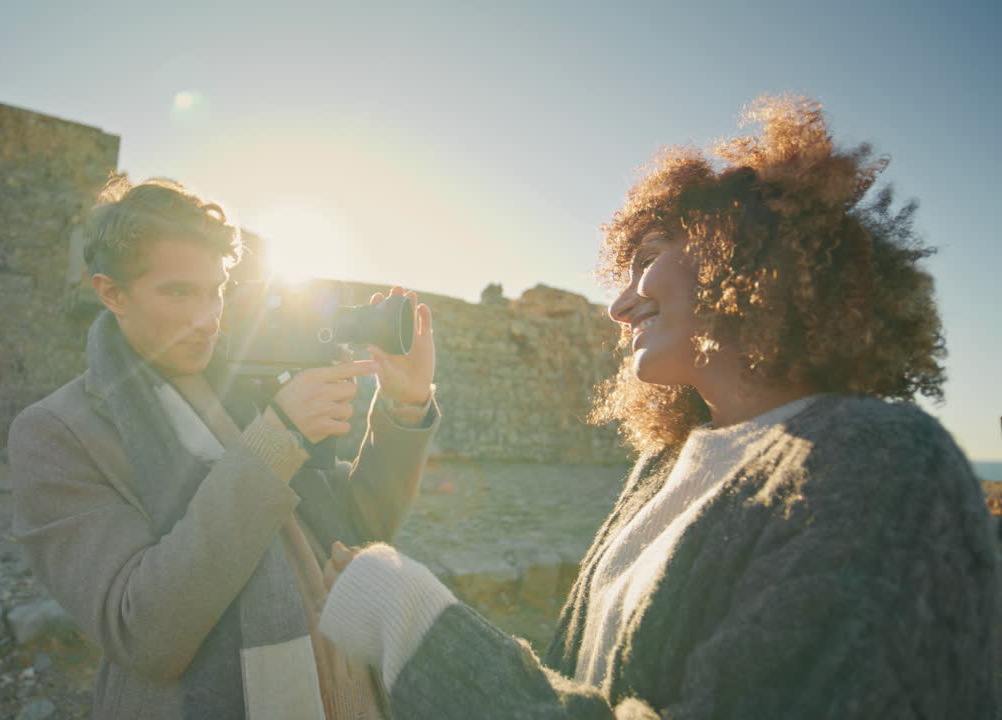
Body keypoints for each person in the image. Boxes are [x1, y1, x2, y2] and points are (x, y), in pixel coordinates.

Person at [317, 96, 999, 719]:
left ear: (746, 254)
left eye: (649, 257)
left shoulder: (883, 466)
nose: (618, 305)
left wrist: (415, 627)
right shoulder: (664, 467)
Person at [8, 177, 440, 719]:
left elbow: (355, 530)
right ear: (111, 292)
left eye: (215, 291)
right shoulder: (55, 432)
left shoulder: (249, 383)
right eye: (178, 292)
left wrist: (404, 405)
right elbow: (143, 634)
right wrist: (277, 438)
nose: (208, 317)